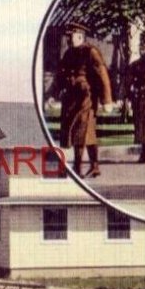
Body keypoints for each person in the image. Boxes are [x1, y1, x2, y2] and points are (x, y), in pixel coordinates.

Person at [52, 22, 113, 177]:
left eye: (71, 36)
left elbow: (102, 75)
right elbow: (60, 74)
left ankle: (77, 168)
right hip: (70, 97)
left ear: (79, 36)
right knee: (86, 132)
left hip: (86, 98)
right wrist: (54, 93)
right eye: (68, 36)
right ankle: (95, 166)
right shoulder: (68, 53)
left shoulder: (91, 52)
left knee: (80, 131)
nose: (68, 39)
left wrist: (107, 100)